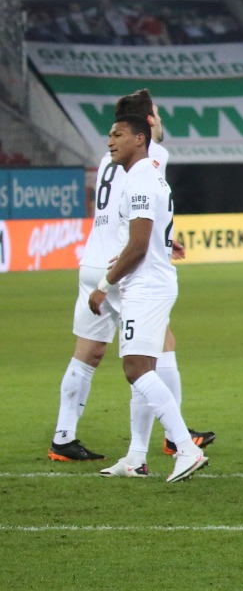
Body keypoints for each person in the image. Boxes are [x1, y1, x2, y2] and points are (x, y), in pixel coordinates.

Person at [51, 91, 214, 475]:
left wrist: (150, 242)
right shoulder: (150, 160)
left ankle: (65, 435)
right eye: (156, 114)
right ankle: (174, 441)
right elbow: (140, 235)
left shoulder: (115, 165)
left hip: (99, 260)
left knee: (96, 356)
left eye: (116, 134)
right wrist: (123, 269)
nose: (110, 142)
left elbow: (135, 221)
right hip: (125, 269)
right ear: (146, 127)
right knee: (147, 360)